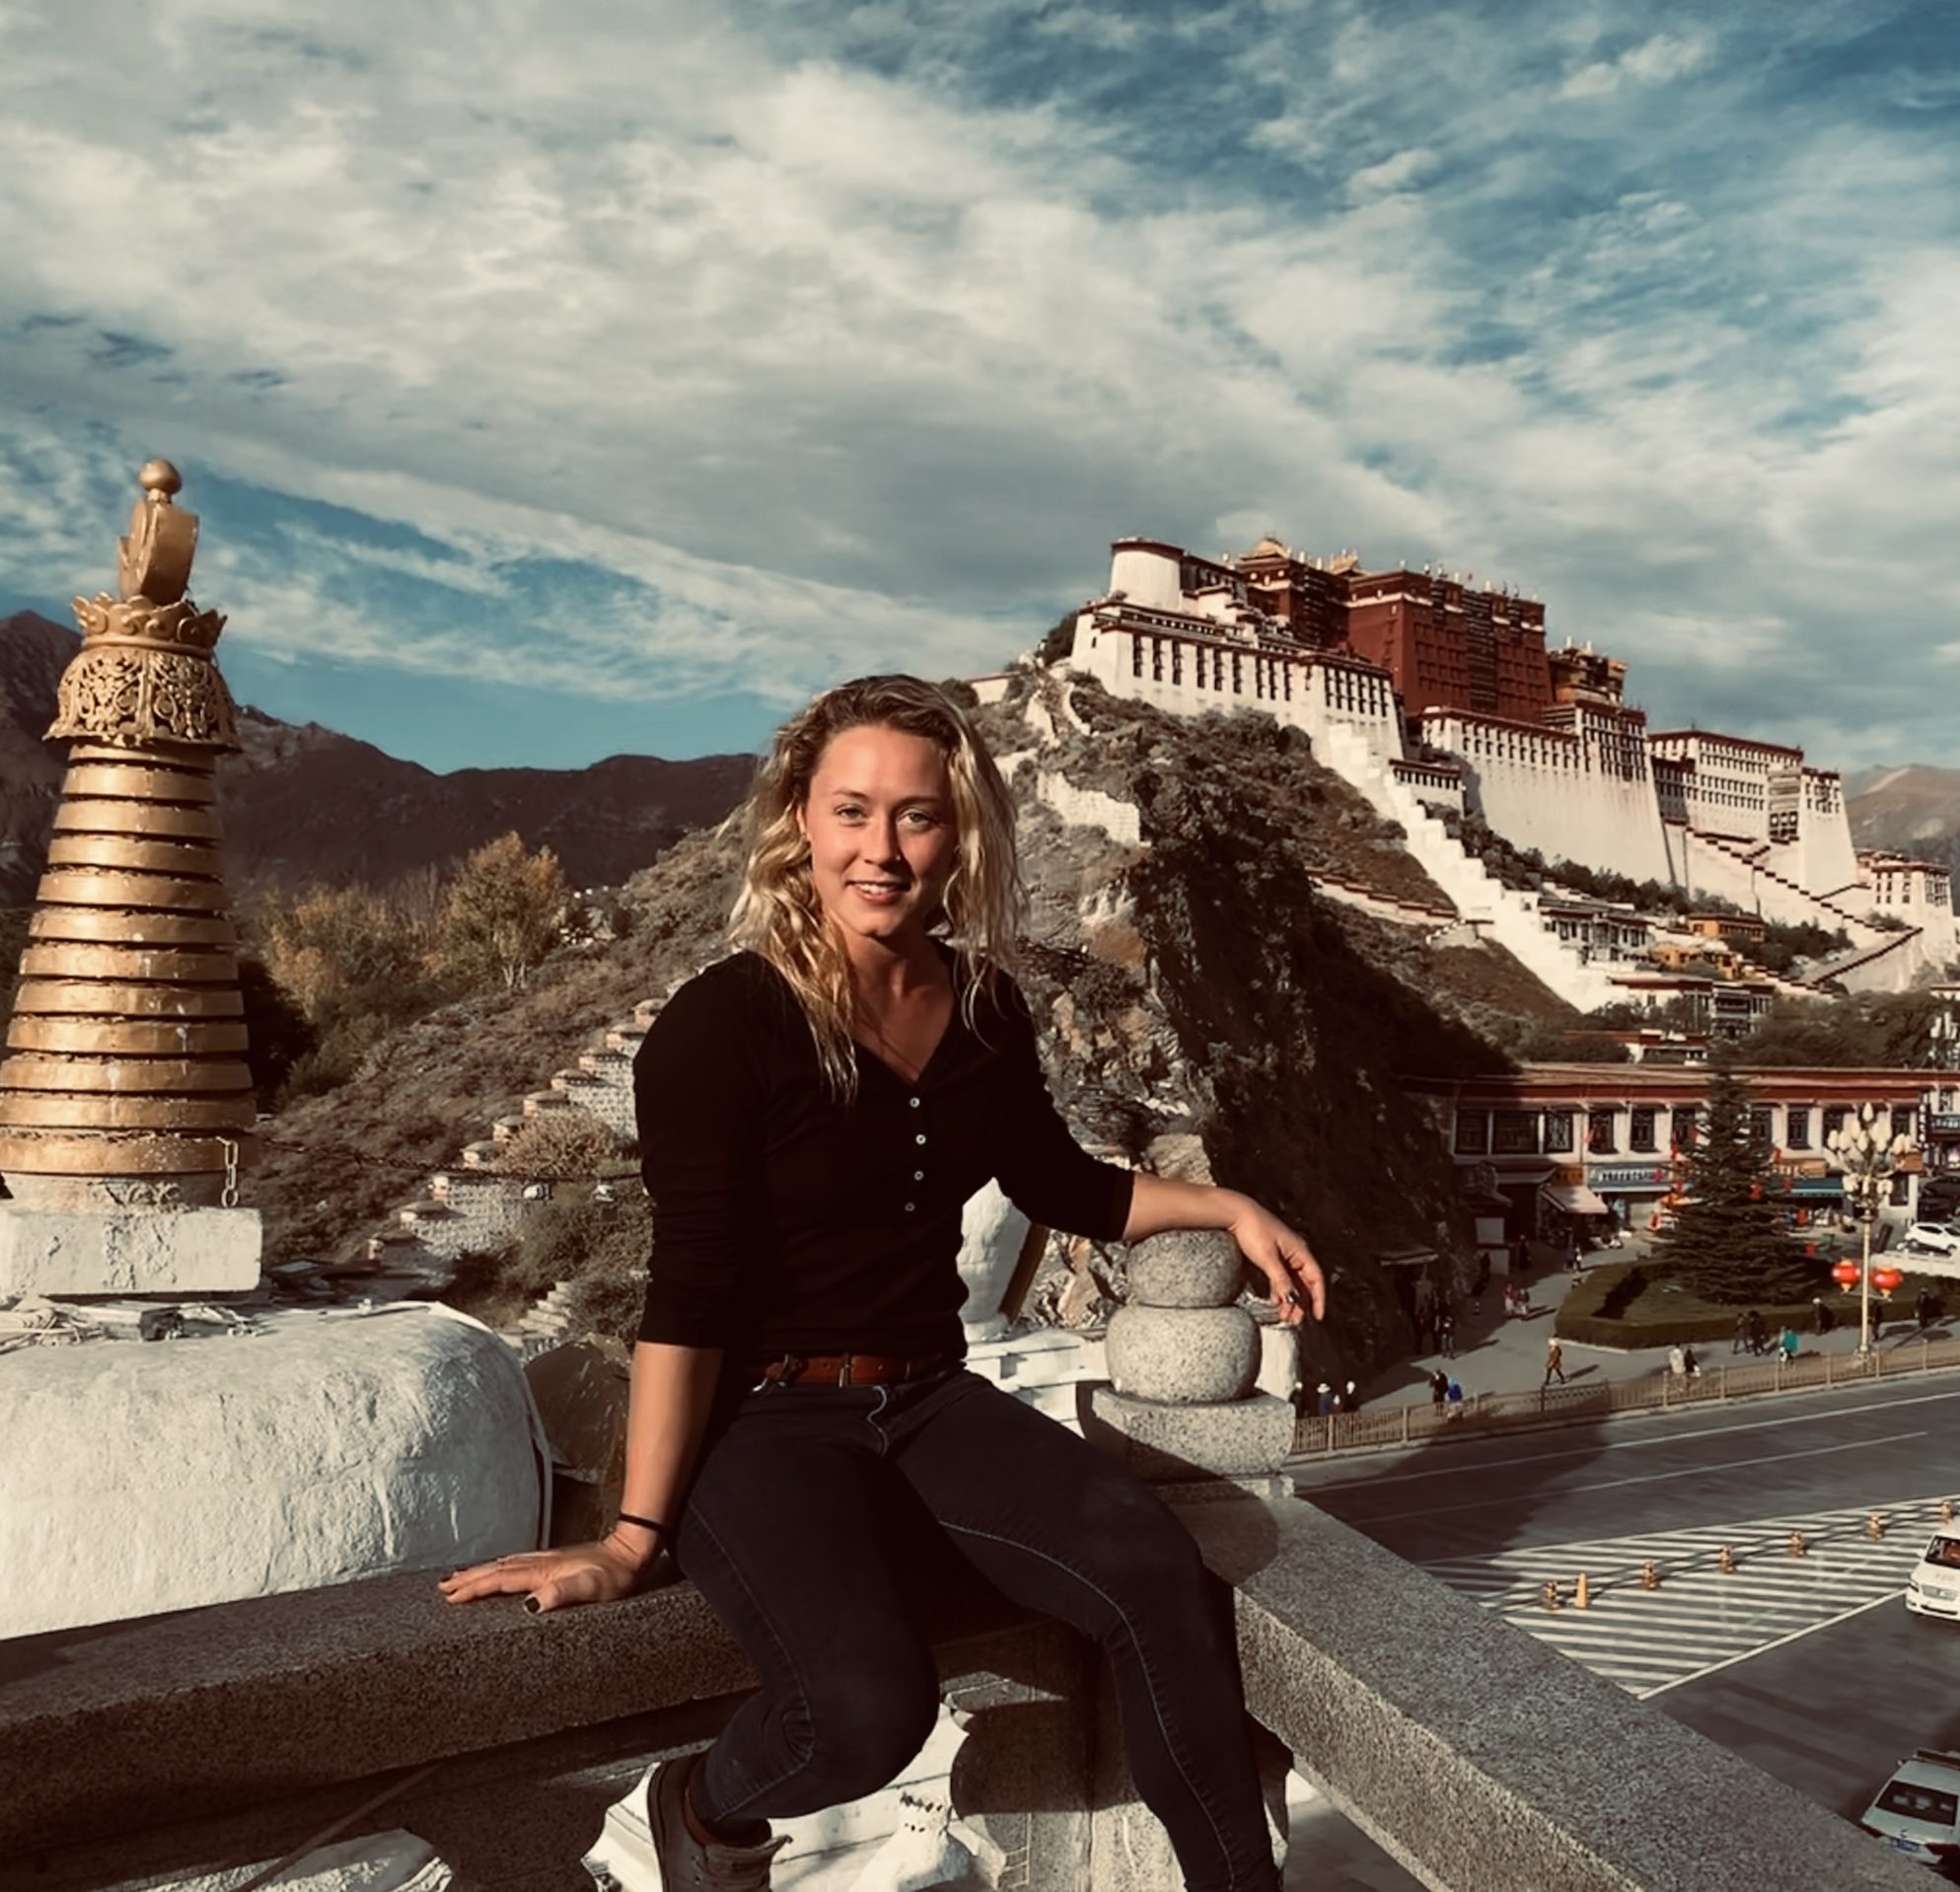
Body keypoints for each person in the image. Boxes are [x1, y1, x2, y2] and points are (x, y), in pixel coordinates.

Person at [441, 677, 1317, 1892]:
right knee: (864, 1707)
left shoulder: (987, 1008)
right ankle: (700, 1808)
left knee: (1158, 1579)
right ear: (800, 817)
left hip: (928, 1400)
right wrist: (634, 1536)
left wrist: (1225, 1204)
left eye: (917, 816)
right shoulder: (721, 1024)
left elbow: (1063, 1184)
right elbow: (688, 1290)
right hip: (761, 1420)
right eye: (853, 811)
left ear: (958, 833)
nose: (882, 849)